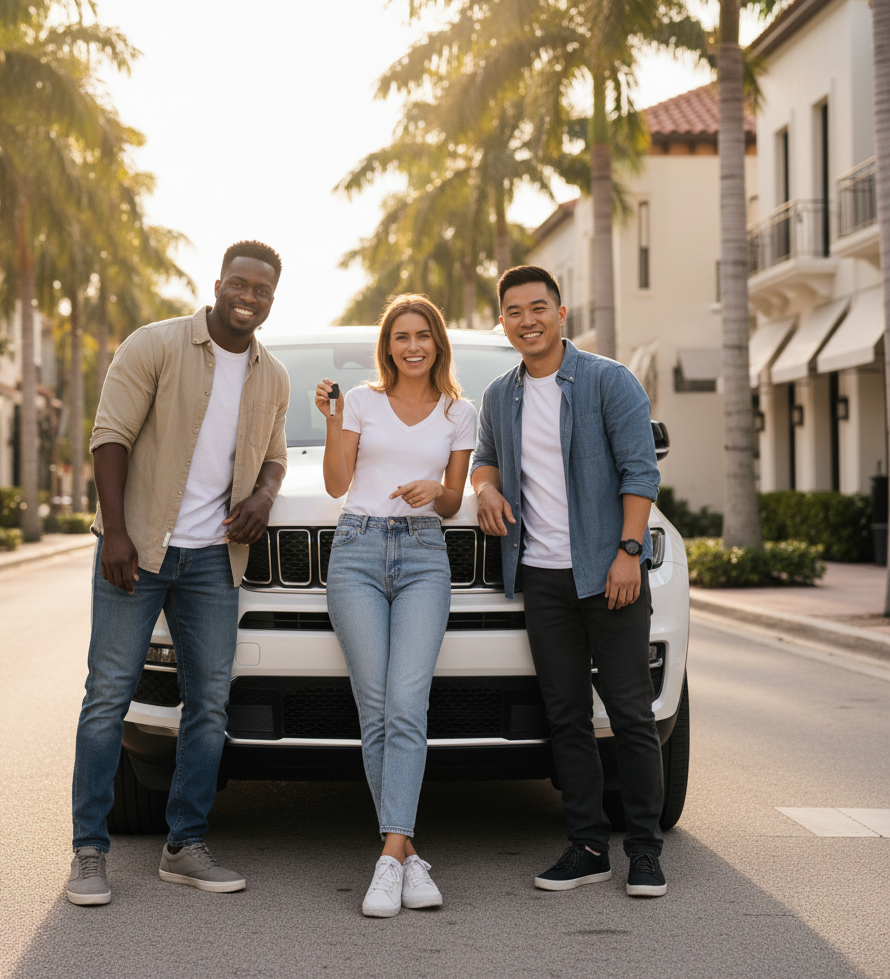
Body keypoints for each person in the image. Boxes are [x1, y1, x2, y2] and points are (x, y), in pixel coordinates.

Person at [67, 240, 290, 906]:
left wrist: (262, 496)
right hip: (139, 549)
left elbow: (274, 455)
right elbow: (110, 436)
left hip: (213, 563)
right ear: (219, 283)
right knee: (108, 696)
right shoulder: (156, 345)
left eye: (263, 290)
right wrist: (115, 531)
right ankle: (88, 851)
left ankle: (185, 845)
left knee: (209, 705)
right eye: (241, 284)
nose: (249, 297)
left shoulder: (271, 376)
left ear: (272, 299)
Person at [471, 265, 667, 898]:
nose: (526, 320)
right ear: (501, 322)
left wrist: (627, 554)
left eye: (537, 308)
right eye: (513, 312)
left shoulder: (610, 381)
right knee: (567, 718)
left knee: (632, 716)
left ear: (560, 313)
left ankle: (642, 849)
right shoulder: (501, 395)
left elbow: (641, 473)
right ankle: (587, 846)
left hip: (608, 574)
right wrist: (484, 490)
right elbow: (484, 459)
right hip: (542, 577)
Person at [315, 295, 476, 918]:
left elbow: (454, 500)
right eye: (401, 336)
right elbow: (335, 484)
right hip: (356, 552)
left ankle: (389, 856)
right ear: (387, 346)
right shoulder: (359, 402)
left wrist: (440, 489)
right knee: (376, 706)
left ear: (437, 342)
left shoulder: (460, 413)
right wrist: (332, 420)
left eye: (423, 335)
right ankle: (405, 856)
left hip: (423, 557)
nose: (412, 346)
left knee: (408, 703)